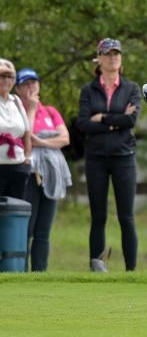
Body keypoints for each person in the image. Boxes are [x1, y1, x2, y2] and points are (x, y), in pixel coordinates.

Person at [76, 38, 141, 272]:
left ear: (121, 58)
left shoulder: (131, 89)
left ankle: (131, 271)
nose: (113, 57)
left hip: (124, 157)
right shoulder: (88, 90)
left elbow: (131, 120)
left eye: (116, 54)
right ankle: (96, 267)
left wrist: (102, 118)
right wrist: (116, 121)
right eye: (108, 54)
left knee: (127, 217)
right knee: (98, 216)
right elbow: (83, 123)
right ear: (99, 59)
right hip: (96, 159)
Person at [14, 68, 72, 272]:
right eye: (26, 83)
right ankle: (20, 270)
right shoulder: (16, 109)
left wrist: (41, 142)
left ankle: (40, 273)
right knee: (26, 228)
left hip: (51, 173)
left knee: (43, 230)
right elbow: (24, 136)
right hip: (28, 173)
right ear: (18, 88)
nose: (31, 86)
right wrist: (30, 111)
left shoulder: (50, 111)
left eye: (34, 82)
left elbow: (65, 138)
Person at [0, 58, 31, 199]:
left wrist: (27, 158)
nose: (6, 80)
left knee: (15, 213)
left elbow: (26, 133)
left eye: (9, 77)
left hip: (17, 165)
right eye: (2, 76)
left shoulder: (16, 101)